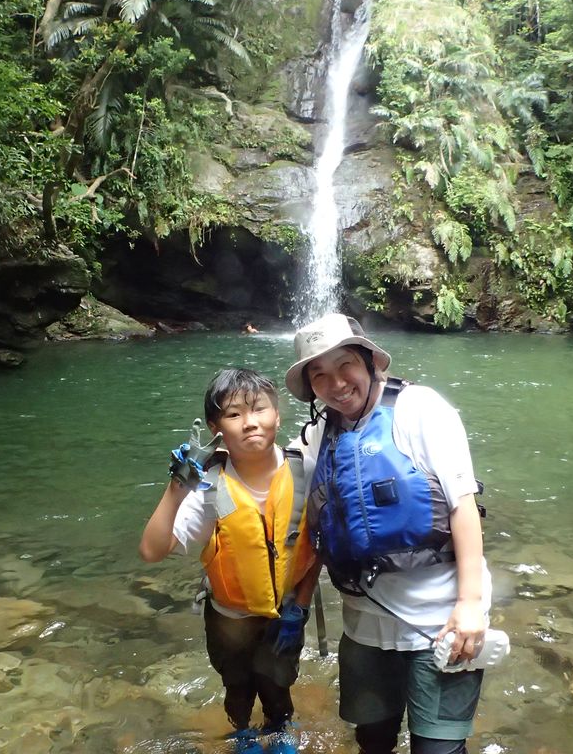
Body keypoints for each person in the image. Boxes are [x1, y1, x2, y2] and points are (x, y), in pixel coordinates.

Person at [284, 313, 506, 754]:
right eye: (319, 374)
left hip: (440, 620)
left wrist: (470, 605)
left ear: (369, 361)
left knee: (438, 749)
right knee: (373, 743)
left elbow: (463, 505)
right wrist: (295, 606)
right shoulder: (315, 438)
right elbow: (306, 528)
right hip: (365, 627)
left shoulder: (419, 409)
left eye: (344, 364)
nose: (336, 383)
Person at [139, 369, 318, 754]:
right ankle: (242, 735)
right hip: (229, 618)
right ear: (215, 427)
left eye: (259, 409)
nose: (250, 422)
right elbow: (152, 551)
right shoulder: (210, 488)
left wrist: (300, 606)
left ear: (278, 415)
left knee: (279, 685)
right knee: (237, 688)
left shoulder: (304, 470)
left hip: (285, 611)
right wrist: (176, 488)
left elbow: (318, 545)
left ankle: (281, 730)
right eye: (234, 414)